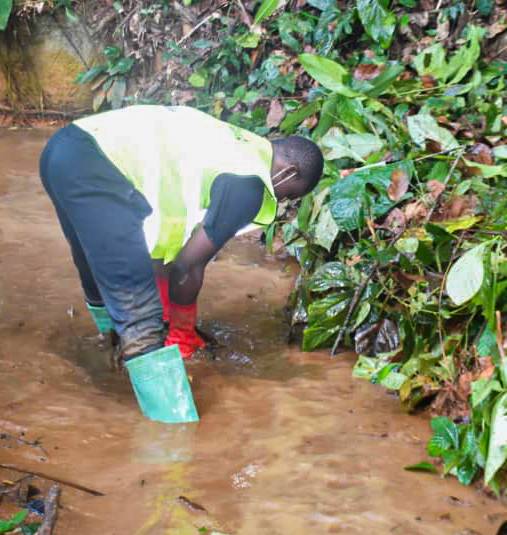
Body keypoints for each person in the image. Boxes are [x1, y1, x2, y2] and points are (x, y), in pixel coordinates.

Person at [39, 105, 323, 423]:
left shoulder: (234, 141)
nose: (280, 200)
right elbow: (187, 266)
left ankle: (107, 355)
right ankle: (175, 435)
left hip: (62, 150)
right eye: (286, 196)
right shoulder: (251, 182)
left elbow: (164, 250)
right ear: (288, 174)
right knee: (141, 322)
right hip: (96, 169)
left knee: (94, 269)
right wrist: (183, 333)